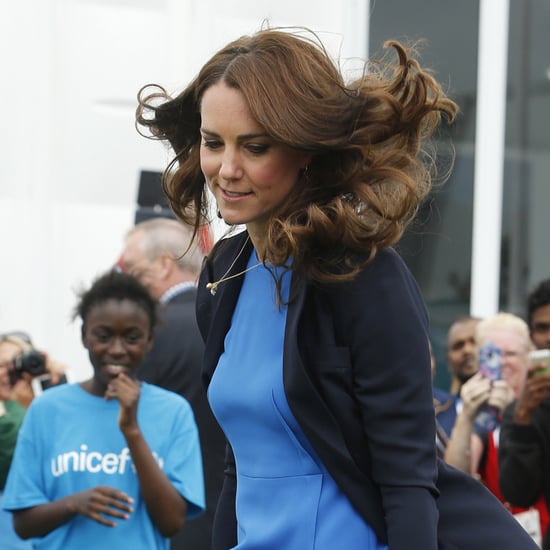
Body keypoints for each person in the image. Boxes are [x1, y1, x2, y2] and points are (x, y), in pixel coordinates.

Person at [135, 26, 537, 550]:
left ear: (305, 149)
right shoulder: (224, 272)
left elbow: (409, 479)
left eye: (254, 147)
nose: (226, 169)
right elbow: (240, 462)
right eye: (213, 143)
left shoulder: (366, 276)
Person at [2, 271, 205, 549]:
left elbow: (171, 522)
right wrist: (73, 504)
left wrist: (132, 430)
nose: (117, 350)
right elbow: (23, 525)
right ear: (85, 335)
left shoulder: (173, 412)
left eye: (132, 338)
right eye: (104, 336)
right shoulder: (47, 409)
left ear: (149, 341)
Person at [120, 217, 225, 550]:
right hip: (233, 514)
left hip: (166, 517)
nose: (126, 280)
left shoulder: (148, 334)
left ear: (165, 265)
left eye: (132, 268)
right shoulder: (232, 319)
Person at [444, 312, 549, 546]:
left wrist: (516, 414)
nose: (502, 363)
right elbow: (455, 476)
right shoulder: (483, 417)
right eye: (492, 354)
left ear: (529, 357)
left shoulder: (543, 410)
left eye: (511, 353)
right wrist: (466, 418)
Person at [499, 279, 550, 549]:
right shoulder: (523, 411)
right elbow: (519, 493)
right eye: (542, 328)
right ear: (532, 336)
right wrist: (523, 418)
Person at [435, 316, 481, 438]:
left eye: (475, 341)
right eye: (458, 346)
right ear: (449, 361)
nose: (467, 350)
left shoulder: (514, 407)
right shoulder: (435, 417)